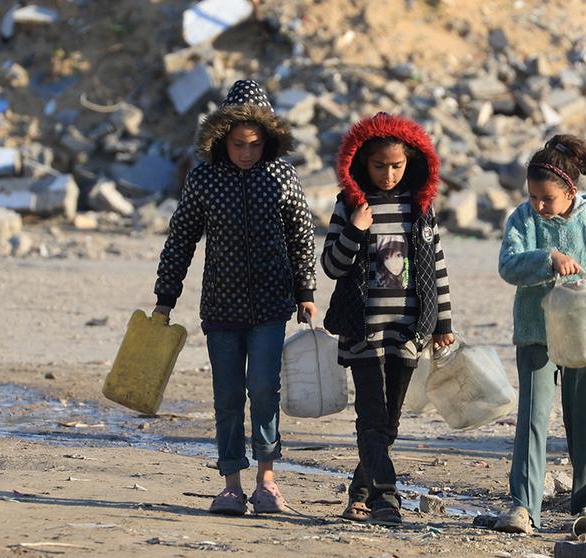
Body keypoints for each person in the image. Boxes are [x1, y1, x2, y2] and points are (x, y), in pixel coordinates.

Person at [153, 80, 317, 516]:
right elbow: (181, 238)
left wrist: (306, 291)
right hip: (221, 307)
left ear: (268, 140)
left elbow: (302, 234)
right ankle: (230, 484)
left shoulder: (281, 175)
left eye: (255, 144)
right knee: (227, 396)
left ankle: (267, 482)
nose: (246, 152)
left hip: (270, 304)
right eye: (238, 144)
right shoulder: (204, 178)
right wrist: (165, 297)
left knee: (264, 388)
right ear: (221, 139)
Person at [493, 134, 586, 534]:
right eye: (534, 197)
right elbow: (508, 265)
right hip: (536, 333)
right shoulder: (523, 219)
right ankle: (524, 507)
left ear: (570, 190)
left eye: (548, 199)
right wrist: (547, 259)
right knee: (532, 420)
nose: (540, 206)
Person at [321, 113, 455, 526]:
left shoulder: (419, 208)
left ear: (411, 163)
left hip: (407, 331)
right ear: (362, 162)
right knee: (372, 415)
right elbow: (331, 265)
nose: (389, 174)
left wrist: (443, 324)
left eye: (396, 166)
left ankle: (359, 491)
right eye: (380, 166)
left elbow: (436, 267)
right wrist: (356, 230)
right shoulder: (350, 206)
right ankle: (385, 496)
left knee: (389, 420)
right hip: (362, 330)